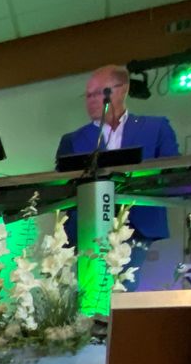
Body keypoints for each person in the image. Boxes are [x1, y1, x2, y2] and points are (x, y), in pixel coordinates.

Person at [56, 64, 180, 273]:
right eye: (88, 95)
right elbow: (62, 188)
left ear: (123, 89)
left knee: (123, 286)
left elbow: (173, 173)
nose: (91, 100)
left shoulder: (156, 128)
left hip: (137, 226)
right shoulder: (72, 140)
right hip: (87, 228)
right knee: (90, 287)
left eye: (99, 93)